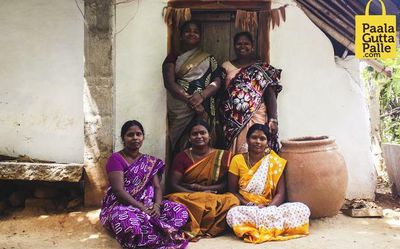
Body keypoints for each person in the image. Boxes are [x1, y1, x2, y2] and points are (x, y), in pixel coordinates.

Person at [99, 120, 189, 249]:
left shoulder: (149, 161)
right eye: (130, 135)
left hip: (148, 205)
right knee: (129, 225)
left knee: (180, 211)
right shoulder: (116, 158)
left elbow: (157, 187)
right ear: (123, 138)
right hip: (122, 206)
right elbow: (119, 191)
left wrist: (157, 206)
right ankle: (154, 233)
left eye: (138, 134)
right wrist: (142, 208)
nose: (135, 138)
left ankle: (152, 229)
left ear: (143, 137)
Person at [226, 123, 310, 243]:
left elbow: (281, 193)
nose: (258, 142)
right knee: (233, 214)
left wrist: (268, 209)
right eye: (254, 137)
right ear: (247, 140)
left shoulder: (274, 161)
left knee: (302, 208)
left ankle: (261, 226)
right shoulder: (237, 160)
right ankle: (273, 226)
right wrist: (252, 206)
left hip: (270, 207)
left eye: (262, 138)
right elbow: (232, 191)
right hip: (248, 208)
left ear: (268, 142)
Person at [166, 119, 240, 241]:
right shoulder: (182, 157)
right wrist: (197, 193)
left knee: (233, 200)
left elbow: (226, 184)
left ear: (209, 136)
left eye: (202, 133)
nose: (199, 136)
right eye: (194, 134)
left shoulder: (224, 155)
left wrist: (204, 189)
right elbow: (174, 184)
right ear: (189, 138)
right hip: (190, 196)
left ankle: (210, 230)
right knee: (173, 199)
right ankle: (198, 227)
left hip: (213, 195)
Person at [163, 20, 222, 155]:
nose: (192, 34)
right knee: (181, 144)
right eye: (188, 31)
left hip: (204, 106)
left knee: (204, 138)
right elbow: (169, 83)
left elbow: (217, 81)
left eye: (196, 32)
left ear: (200, 37)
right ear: (181, 36)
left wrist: (202, 96)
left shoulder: (209, 59)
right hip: (180, 107)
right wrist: (191, 100)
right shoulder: (173, 57)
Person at [220, 32, 282, 153]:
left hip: (257, 115)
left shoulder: (262, 68)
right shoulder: (226, 66)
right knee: (236, 153)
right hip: (233, 119)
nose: (242, 46)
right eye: (239, 44)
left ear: (252, 46)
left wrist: (273, 119)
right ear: (234, 46)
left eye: (246, 43)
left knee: (256, 146)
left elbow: (270, 94)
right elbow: (221, 94)